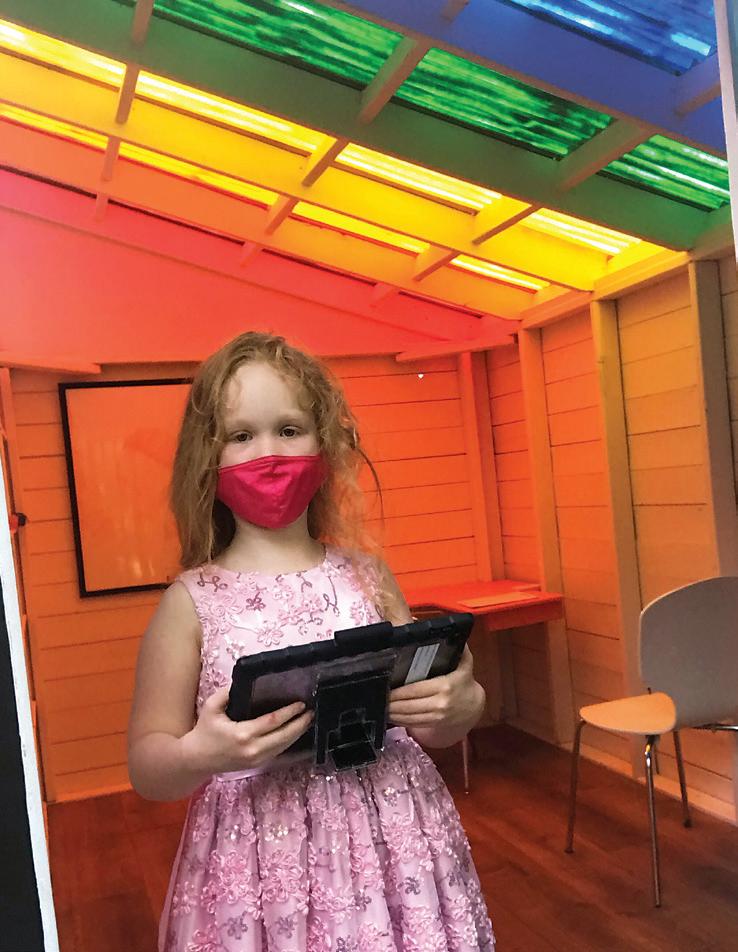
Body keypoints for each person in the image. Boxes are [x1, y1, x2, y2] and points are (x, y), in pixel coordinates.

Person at [128, 332, 495, 952]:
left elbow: (435, 724)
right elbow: (147, 765)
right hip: (259, 871)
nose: (268, 453)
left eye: (290, 429)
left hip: (396, 846)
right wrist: (199, 754)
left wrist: (464, 704)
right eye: (240, 435)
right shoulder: (188, 603)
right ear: (205, 456)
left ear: (324, 442)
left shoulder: (370, 576)